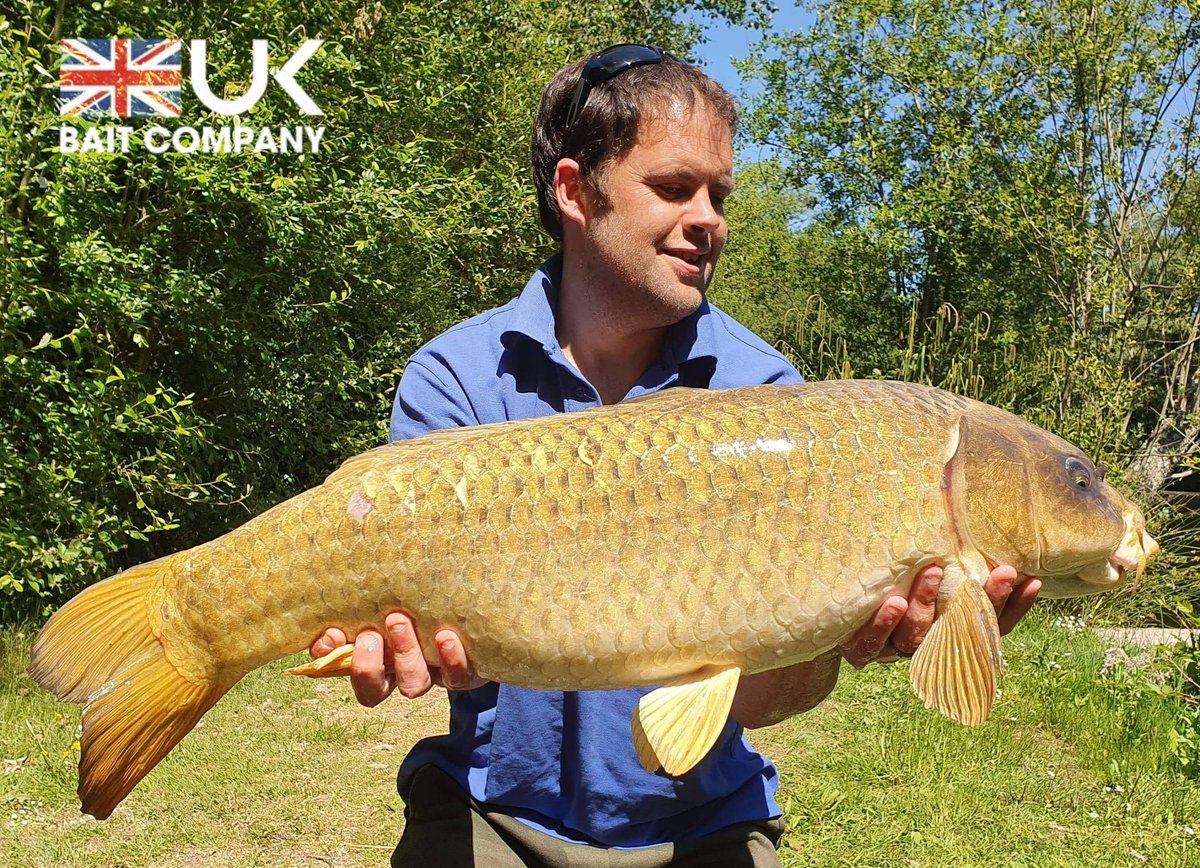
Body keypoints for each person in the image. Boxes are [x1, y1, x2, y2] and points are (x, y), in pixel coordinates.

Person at [309, 45, 1041, 866]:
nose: (710, 218)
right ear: (575, 191)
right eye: (673, 187)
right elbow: (450, 661)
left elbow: (764, 697)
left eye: (719, 194)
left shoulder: (772, 396)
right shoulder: (458, 375)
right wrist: (406, 647)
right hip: (492, 811)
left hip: (706, 823)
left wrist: (840, 636)